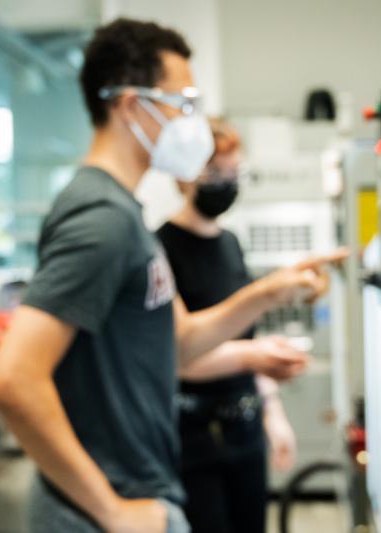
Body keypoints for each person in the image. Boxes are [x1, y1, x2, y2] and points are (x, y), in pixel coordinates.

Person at [0, 18, 345, 533]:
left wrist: (270, 291)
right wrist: (113, 511)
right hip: (105, 508)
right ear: (132, 104)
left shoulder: (126, 216)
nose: (192, 121)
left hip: (142, 491)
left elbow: (178, 341)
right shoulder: (101, 219)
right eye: (184, 103)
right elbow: (13, 381)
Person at [157, 118, 302, 533]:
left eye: (234, 174)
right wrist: (255, 356)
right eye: (216, 173)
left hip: (246, 427)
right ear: (184, 176)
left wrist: (273, 413)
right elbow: (180, 356)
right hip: (192, 437)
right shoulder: (160, 248)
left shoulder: (231, 244)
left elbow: (247, 334)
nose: (227, 183)